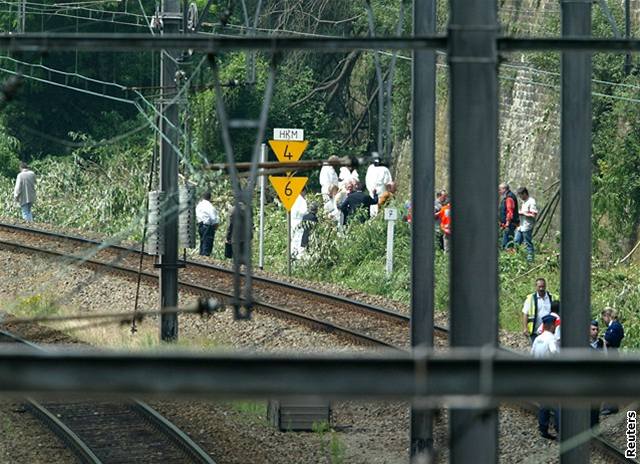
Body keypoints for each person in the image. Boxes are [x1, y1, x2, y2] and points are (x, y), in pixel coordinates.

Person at [531, 314, 559, 440]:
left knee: (544, 404)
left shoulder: (538, 339)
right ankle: (560, 429)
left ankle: (543, 429)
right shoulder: (551, 339)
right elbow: (554, 353)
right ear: (552, 326)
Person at [522, 278, 553, 343]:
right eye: (539, 287)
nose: (541, 288)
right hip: (534, 331)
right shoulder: (530, 299)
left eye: (543, 286)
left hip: (548, 331)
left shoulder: (551, 297)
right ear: (536, 287)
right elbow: (525, 313)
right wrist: (525, 328)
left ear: (545, 286)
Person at [515, 187, 537, 261]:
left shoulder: (531, 201)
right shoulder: (524, 202)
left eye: (521, 195)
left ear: (524, 193)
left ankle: (530, 261)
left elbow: (533, 214)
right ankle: (516, 259)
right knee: (516, 241)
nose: (520, 197)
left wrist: (523, 213)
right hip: (521, 226)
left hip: (527, 226)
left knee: (528, 243)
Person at [195, 191, 219, 256]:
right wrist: (216, 225)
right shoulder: (209, 206)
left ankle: (201, 256)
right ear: (210, 198)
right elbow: (213, 218)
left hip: (200, 225)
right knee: (208, 243)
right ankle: (205, 257)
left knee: (202, 242)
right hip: (208, 226)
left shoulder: (199, 205)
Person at [499, 183, 519, 250]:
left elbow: (509, 211)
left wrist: (507, 223)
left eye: (500, 190)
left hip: (510, 224)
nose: (499, 191)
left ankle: (509, 257)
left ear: (504, 189)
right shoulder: (507, 197)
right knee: (507, 243)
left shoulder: (509, 198)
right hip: (507, 224)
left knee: (507, 244)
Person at [290, 190, 308, 257]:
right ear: (302, 191)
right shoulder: (301, 200)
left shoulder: (293, 198)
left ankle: (292, 254)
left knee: (293, 238)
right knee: (298, 239)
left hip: (292, 222)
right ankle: (297, 256)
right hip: (299, 222)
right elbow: (304, 211)